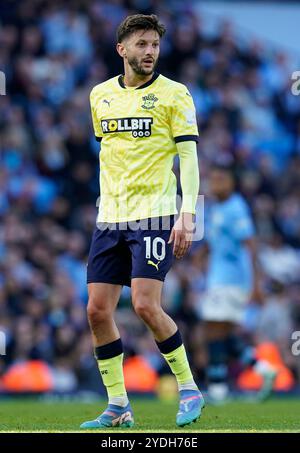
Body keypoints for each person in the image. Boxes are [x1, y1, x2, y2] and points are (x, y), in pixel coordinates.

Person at [80, 14, 204, 429]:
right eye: (142, 45)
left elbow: (187, 156)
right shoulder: (100, 96)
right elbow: (110, 148)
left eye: (154, 44)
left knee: (146, 305)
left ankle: (188, 388)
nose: (150, 52)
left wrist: (188, 215)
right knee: (97, 311)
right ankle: (118, 406)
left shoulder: (175, 94)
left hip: (155, 214)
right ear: (122, 49)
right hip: (109, 216)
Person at [201, 164, 277, 402]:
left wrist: (256, 284)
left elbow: (251, 245)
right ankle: (263, 368)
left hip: (230, 279)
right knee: (222, 333)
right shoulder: (216, 208)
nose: (216, 184)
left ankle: (217, 388)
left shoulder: (236, 208)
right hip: (220, 277)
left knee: (213, 330)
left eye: (221, 179)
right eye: (213, 179)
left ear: (232, 182)